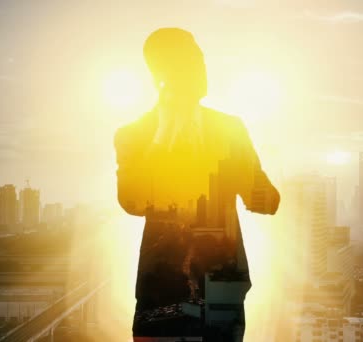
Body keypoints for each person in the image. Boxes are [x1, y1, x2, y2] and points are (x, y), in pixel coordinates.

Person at [114, 27, 280, 341]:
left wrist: (238, 169)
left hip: (222, 293)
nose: (202, 69)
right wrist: (162, 137)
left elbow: (267, 201)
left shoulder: (229, 129)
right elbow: (131, 200)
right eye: (191, 61)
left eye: (201, 60)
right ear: (163, 75)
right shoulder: (135, 134)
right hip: (160, 295)